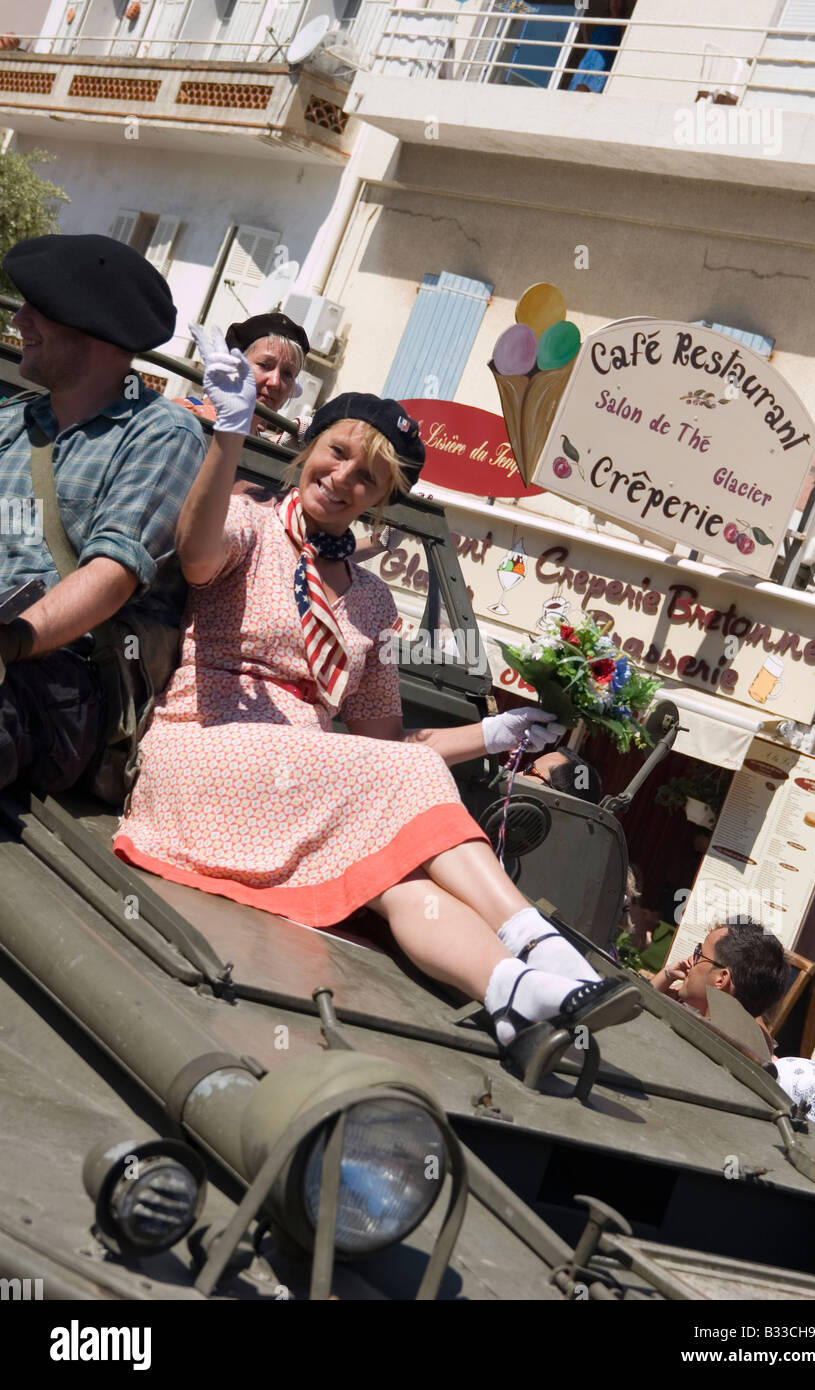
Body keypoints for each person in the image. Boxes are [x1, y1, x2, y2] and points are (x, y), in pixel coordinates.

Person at [113, 327, 642, 1076]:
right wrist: (228, 434)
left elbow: (387, 751)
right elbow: (197, 555)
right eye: (336, 453)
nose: (342, 480)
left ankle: (512, 991)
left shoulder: (374, 603)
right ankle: (544, 945)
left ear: (381, 502)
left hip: (307, 783)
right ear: (309, 449)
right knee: (405, 817)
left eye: (368, 478)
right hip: (207, 748)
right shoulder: (252, 523)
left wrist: (494, 732)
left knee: (403, 881)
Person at [0, 233, 205, 794]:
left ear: (92, 329)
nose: (20, 319)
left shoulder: (162, 434)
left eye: (39, 308)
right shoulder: (12, 420)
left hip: (66, 677)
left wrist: (11, 642)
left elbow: (111, 576)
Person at [652, 920, 815, 1132]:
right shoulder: (752, 1048)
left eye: (698, 954)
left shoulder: (696, 1044)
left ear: (721, 979)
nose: (689, 962)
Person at [177, 311, 308, 442]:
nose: (275, 382)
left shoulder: (264, 448)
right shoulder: (183, 421)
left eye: (287, 374)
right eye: (264, 365)